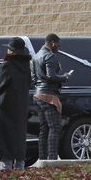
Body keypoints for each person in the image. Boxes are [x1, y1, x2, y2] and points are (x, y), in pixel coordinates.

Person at [0, 37, 33, 170]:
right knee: (20, 134)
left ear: (12, 51)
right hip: (21, 105)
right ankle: (20, 163)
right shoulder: (26, 66)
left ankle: (7, 164)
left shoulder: (6, 66)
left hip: (5, 106)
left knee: (5, 135)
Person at [33, 33, 71, 161]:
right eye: (58, 44)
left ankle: (42, 158)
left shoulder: (36, 56)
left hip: (37, 94)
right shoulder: (50, 56)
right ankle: (52, 159)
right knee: (54, 127)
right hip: (48, 95)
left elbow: (34, 78)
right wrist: (65, 77)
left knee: (44, 129)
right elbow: (51, 76)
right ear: (53, 43)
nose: (59, 47)